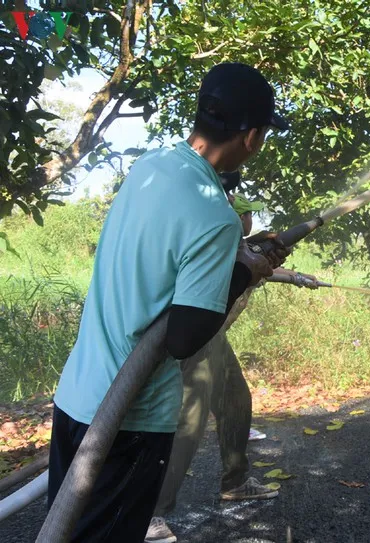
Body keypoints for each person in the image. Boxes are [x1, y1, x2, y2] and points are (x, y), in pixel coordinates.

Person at [47, 62, 290, 543]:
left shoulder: (153, 167)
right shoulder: (216, 216)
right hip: (129, 417)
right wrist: (244, 273)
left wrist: (236, 260)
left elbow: (163, 261)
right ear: (253, 136)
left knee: (70, 531)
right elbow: (182, 338)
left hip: (76, 395)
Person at [145, 189, 320, 543]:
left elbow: (263, 267)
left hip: (215, 341)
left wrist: (298, 276)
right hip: (193, 341)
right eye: (245, 214)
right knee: (188, 424)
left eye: (251, 215)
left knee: (238, 403)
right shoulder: (217, 245)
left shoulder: (242, 247)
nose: (250, 220)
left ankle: (236, 482)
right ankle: (151, 515)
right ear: (232, 217)